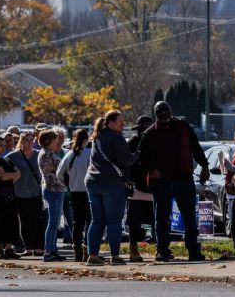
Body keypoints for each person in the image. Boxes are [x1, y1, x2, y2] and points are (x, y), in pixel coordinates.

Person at [138, 101, 209, 262]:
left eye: (166, 110)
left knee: (189, 217)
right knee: (162, 219)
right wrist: (152, 169)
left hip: (184, 178)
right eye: (159, 111)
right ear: (155, 114)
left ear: (171, 110)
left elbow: (196, 148)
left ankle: (193, 250)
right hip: (162, 182)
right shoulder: (150, 133)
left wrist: (205, 166)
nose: (163, 113)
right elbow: (141, 156)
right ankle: (162, 251)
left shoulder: (183, 127)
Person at [85, 110, 137, 266]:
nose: (123, 124)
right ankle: (115, 256)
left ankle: (92, 255)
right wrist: (136, 156)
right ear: (111, 123)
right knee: (114, 221)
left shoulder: (97, 137)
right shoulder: (116, 137)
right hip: (112, 183)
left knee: (97, 221)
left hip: (92, 181)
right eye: (120, 121)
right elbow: (125, 160)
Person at [6, 131, 45, 256]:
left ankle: (38, 248)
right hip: (20, 193)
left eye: (31, 140)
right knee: (24, 221)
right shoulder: (13, 156)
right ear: (21, 141)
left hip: (36, 193)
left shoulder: (39, 154)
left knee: (37, 222)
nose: (29, 142)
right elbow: (4, 170)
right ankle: (27, 248)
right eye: (26, 140)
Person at [56, 128, 92, 262]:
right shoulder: (89, 153)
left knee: (77, 222)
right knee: (90, 221)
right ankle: (87, 249)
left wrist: (67, 184)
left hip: (74, 191)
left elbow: (59, 173)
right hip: (88, 191)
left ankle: (77, 250)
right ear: (86, 139)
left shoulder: (70, 154)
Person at [126, 115, 155, 263]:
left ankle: (162, 249)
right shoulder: (133, 142)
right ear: (139, 129)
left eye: (150, 125)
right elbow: (126, 163)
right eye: (145, 126)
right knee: (134, 222)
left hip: (154, 187)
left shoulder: (156, 141)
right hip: (137, 188)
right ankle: (133, 249)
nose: (148, 129)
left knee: (157, 220)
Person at [38, 129, 66, 262]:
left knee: (54, 222)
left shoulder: (47, 153)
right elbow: (55, 173)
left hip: (55, 189)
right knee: (53, 222)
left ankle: (53, 250)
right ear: (49, 141)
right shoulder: (47, 155)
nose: (57, 142)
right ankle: (48, 251)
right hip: (53, 190)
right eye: (55, 139)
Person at [53, 127, 74, 246]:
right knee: (54, 219)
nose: (60, 140)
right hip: (53, 191)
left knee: (70, 218)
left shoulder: (66, 153)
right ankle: (52, 244)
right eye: (58, 137)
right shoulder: (48, 153)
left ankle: (75, 242)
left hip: (66, 191)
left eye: (62, 137)